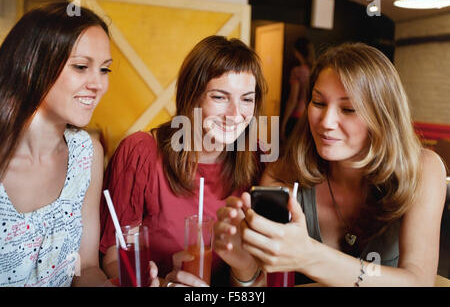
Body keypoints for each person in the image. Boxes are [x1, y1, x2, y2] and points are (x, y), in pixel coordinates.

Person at [214, 43, 447, 287]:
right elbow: (262, 287)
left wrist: (309, 256)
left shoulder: (423, 169)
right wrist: (244, 269)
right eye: (319, 103)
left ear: (383, 115)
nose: (326, 122)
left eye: (348, 109)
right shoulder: (283, 176)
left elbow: (419, 282)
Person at [99, 35, 267, 286]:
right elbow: (115, 253)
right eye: (220, 97)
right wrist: (154, 281)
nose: (235, 114)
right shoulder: (141, 152)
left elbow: (263, 273)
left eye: (246, 99)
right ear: (192, 97)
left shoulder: (260, 160)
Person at [0, 2, 114, 286]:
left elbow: (85, 268)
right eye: (81, 67)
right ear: (32, 65)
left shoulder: (86, 155)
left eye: (104, 70)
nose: (98, 84)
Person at [281, 37, 314, 142]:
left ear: (296, 52)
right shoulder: (315, 70)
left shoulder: (297, 71)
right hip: (310, 116)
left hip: (297, 116)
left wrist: (283, 124)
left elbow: (293, 100)